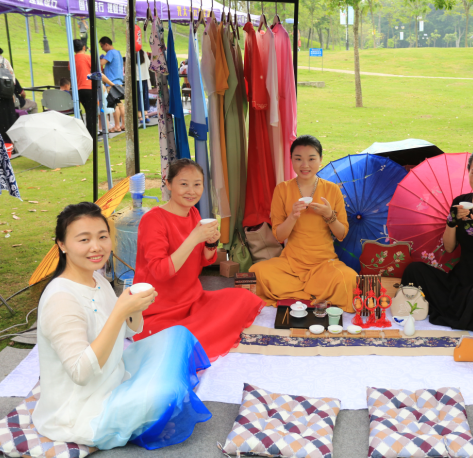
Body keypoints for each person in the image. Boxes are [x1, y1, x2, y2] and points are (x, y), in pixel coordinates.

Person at [34, 202, 212, 450]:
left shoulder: (96, 279)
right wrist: (119, 312)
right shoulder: (60, 299)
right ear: (62, 245)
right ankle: (131, 416)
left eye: (102, 237)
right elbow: (80, 373)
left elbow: (127, 331)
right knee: (164, 394)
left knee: (178, 335)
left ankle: (138, 405)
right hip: (81, 410)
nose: (96, 247)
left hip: (113, 375)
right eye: (84, 240)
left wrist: (135, 308)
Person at [133, 159, 264, 360]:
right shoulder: (153, 220)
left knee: (244, 298)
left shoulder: (194, 213)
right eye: (184, 184)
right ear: (168, 184)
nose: (191, 191)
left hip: (193, 300)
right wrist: (194, 237)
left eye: (197, 184)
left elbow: (204, 261)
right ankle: (187, 337)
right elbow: (161, 271)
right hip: (160, 310)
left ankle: (196, 331)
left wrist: (211, 243)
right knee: (177, 342)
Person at [401, 147, 473, 334]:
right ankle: (459, 308)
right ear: (468, 171)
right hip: (460, 283)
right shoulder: (460, 202)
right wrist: (451, 222)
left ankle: (456, 310)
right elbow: (449, 248)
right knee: (415, 270)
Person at [250, 135, 357, 312]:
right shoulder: (282, 189)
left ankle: (295, 296)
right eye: (298, 159)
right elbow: (279, 236)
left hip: (324, 264)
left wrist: (329, 216)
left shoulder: (332, 189)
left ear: (320, 160)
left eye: (311, 159)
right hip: (290, 265)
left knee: (349, 278)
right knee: (256, 272)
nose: (305, 165)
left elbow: (341, 234)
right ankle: (316, 296)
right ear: (291, 160)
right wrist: (292, 216)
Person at [98, 36, 125, 132]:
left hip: (111, 83)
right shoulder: (118, 52)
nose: (102, 49)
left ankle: (116, 126)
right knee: (121, 105)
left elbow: (101, 63)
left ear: (106, 44)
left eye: (102, 46)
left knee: (115, 106)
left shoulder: (110, 53)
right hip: (119, 82)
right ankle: (123, 124)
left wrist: (99, 58)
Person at [135, 49, 152, 125]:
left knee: (138, 98)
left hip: (136, 79)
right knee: (145, 97)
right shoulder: (144, 53)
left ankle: (140, 117)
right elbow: (148, 64)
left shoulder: (130, 53)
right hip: (144, 78)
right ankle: (146, 116)